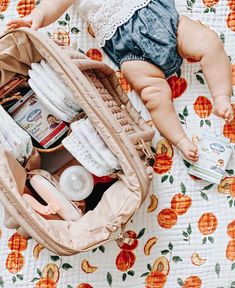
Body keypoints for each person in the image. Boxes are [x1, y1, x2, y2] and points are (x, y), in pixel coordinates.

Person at [7, 0, 234, 161]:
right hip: (130, 49)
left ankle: (221, 96)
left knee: (208, 41)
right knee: (153, 96)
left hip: (160, 17)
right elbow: (51, 5)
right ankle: (180, 139)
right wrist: (36, 16)